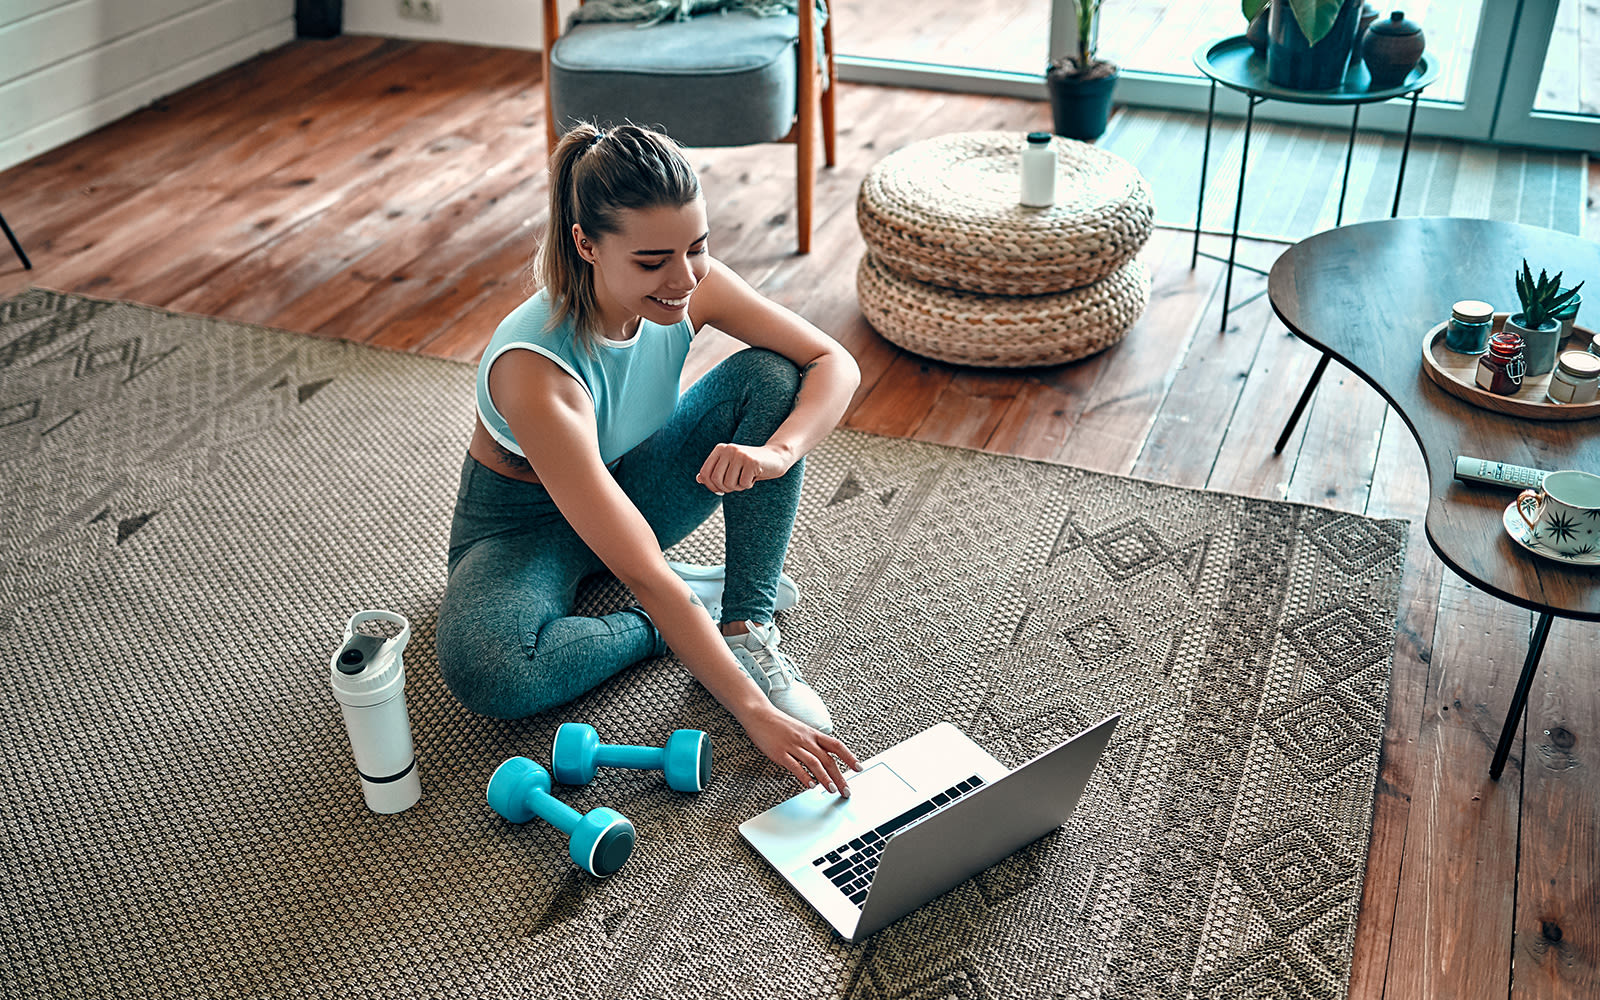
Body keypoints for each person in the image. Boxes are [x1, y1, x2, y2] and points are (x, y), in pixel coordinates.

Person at [436, 123, 861, 796]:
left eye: (697, 247)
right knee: (491, 668)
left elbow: (831, 361)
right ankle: (674, 622)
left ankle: (745, 619)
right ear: (586, 244)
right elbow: (642, 569)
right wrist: (752, 714)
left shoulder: (692, 286)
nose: (684, 278)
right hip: (521, 526)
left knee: (772, 379)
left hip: (630, 481)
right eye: (653, 260)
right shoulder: (535, 371)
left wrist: (779, 453)